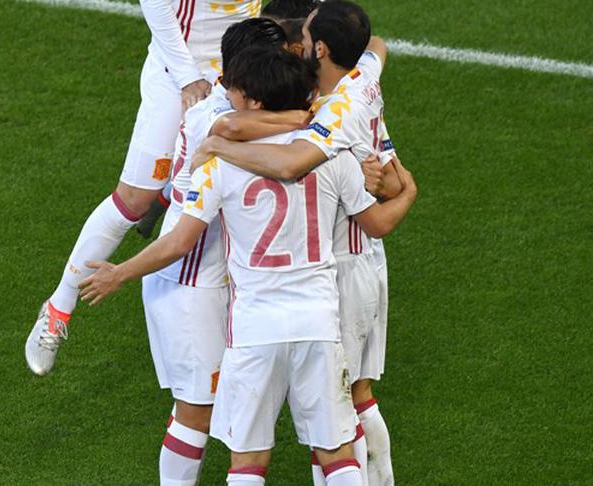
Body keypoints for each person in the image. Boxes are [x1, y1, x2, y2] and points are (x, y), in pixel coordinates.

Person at [26, 0, 325, 376]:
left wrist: (319, 57)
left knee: (262, 178)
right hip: (180, 71)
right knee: (133, 199)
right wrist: (188, 74)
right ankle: (59, 309)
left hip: (247, 67)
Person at [79, 47, 418, 485]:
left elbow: (180, 241)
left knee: (248, 462)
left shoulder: (219, 161)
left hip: (255, 329)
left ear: (254, 101)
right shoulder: (330, 154)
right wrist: (408, 194)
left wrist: (120, 272)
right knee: (335, 452)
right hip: (317, 321)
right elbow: (377, 223)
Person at [194, 0, 399, 483]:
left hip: (337, 268)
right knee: (350, 406)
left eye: (304, 39)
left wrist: (219, 146)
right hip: (362, 261)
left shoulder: (331, 117)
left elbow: (287, 165)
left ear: (321, 48)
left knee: (337, 421)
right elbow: (376, 44)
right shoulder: (363, 80)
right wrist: (401, 187)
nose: (296, 44)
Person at [146, 18, 308, 486]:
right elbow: (234, 127)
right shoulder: (212, 116)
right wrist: (305, 116)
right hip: (189, 279)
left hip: (209, 277)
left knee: (213, 406)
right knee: (196, 410)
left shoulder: (229, 105)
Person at [136, 0, 320, 239]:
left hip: (228, 261)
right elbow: (229, 127)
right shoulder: (209, 107)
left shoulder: (250, 96)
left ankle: (164, 198)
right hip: (191, 268)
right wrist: (300, 118)